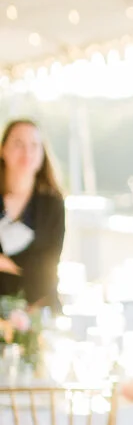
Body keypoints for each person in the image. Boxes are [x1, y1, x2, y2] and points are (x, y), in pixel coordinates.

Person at [0, 119, 65, 311]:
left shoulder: (53, 204)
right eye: (18, 143)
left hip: (37, 310)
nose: (27, 152)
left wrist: (6, 263)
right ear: (3, 149)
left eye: (34, 145)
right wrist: (23, 267)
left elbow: (48, 267)